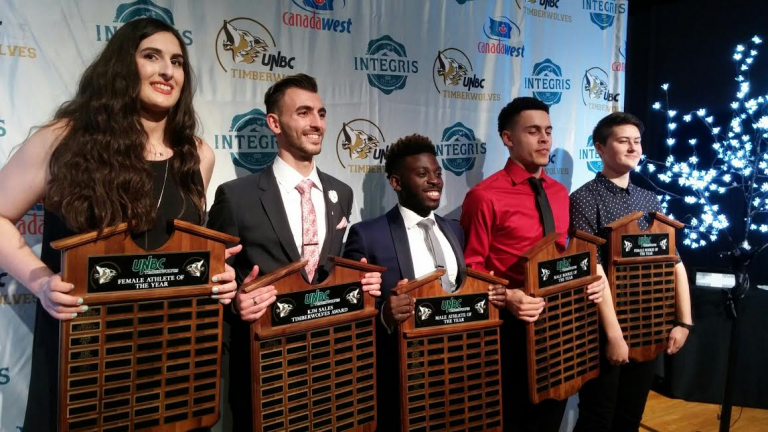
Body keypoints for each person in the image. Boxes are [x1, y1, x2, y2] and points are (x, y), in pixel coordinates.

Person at [0, 18, 239, 430]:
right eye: (152, 57)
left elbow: (182, 246)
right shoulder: (65, 140)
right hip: (86, 355)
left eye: (177, 62)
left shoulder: (197, 154)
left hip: (173, 354)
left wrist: (218, 273)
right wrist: (39, 281)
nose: (168, 71)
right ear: (122, 67)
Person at [206, 73, 382, 430]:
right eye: (303, 113)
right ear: (274, 122)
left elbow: (329, 276)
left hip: (331, 369)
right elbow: (211, 283)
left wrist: (359, 286)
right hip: (265, 371)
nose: (317, 123)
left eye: (321, 113)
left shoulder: (342, 193)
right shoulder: (235, 197)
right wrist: (235, 302)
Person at [460, 97, 606, 432]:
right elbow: (471, 267)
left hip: (562, 325)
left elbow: (565, 257)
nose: (544, 139)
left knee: (550, 417)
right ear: (508, 139)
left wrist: (589, 279)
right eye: (533, 131)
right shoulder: (485, 196)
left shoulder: (558, 192)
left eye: (548, 131)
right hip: (512, 330)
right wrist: (509, 297)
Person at [343, 133, 507, 431]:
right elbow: (352, 310)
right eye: (422, 174)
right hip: (404, 377)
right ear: (396, 182)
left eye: (437, 173)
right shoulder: (367, 235)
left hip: (459, 374)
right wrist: (385, 314)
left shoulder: (454, 230)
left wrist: (488, 294)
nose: (434, 181)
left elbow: (462, 293)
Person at [570, 112, 692, 432]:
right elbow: (592, 268)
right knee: (598, 416)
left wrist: (683, 321)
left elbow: (673, 260)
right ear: (599, 147)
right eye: (623, 141)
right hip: (601, 330)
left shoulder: (648, 197)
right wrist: (614, 336)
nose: (633, 148)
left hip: (649, 324)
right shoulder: (584, 198)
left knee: (631, 416)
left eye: (636, 141)